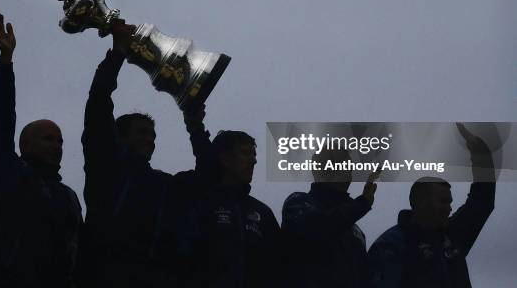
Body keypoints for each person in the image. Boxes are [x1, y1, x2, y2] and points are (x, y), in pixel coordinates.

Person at [0, 14, 82, 288]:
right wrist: (5, 63)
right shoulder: (10, 175)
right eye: (48, 139)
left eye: (60, 141)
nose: (57, 146)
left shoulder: (69, 197)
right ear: (24, 145)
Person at [76, 22, 174, 287]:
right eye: (142, 133)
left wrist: (193, 118)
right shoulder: (106, 161)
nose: (149, 140)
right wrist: (118, 50)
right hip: (102, 273)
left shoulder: (164, 184)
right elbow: (98, 100)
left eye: (152, 136)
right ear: (120, 136)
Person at [368, 123, 496, 288]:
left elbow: (481, 201)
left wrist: (481, 154)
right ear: (421, 203)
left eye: (450, 202)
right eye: (443, 201)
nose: (449, 208)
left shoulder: (453, 234)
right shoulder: (391, 244)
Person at [172, 118, 281, 288]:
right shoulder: (196, 197)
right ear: (225, 159)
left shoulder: (263, 212)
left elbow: (278, 267)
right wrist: (195, 127)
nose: (253, 161)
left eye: (254, 154)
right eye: (245, 153)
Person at [281, 147, 379, 288]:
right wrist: (361, 203)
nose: (348, 174)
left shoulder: (355, 230)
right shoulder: (298, 203)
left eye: (349, 168)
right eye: (341, 166)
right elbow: (319, 229)